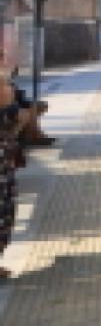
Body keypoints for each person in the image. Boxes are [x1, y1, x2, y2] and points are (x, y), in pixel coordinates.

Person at [0, 74, 29, 280]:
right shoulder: (7, 113)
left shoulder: (7, 113)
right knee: (4, 213)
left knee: (6, 212)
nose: (11, 89)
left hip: (5, 169)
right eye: (7, 86)